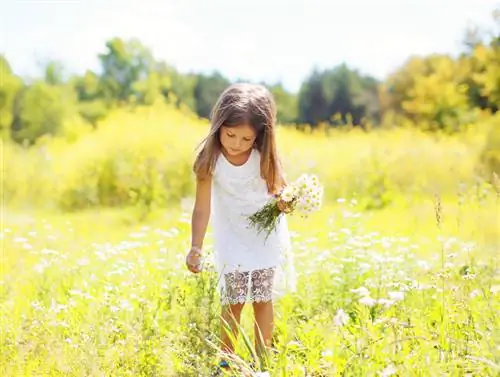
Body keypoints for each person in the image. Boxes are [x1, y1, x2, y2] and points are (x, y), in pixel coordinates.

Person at [185, 83, 296, 373]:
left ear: (260, 135)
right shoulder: (211, 161)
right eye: (230, 134)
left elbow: (280, 193)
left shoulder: (264, 158)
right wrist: (195, 246)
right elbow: (202, 208)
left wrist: (286, 202)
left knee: (262, 298)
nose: (235, 143)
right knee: (233, 302)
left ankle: (263, 361)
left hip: (264, 238)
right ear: (218, 126)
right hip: (232, 238)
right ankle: (226, 361)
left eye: (246, 138)